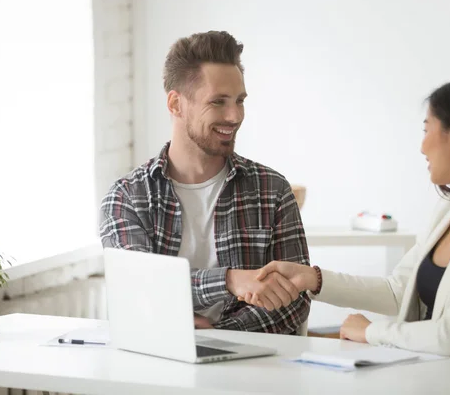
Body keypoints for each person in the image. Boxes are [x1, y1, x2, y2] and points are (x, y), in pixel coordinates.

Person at [242, 76, 450, 355]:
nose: (422, 147)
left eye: (427, 129)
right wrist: (313, 278)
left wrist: (370, 332)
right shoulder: (449, 210)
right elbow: (399, 291)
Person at [99, 31, 310, 334]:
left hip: (254, 370)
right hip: (157, 368)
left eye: (239, 101)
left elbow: (295, 300)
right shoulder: (128, 198)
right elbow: (138, 289)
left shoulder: (272, 191)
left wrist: (218, 335)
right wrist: (229, 280)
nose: (235, 115)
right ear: (175, 104)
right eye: (218, 102)